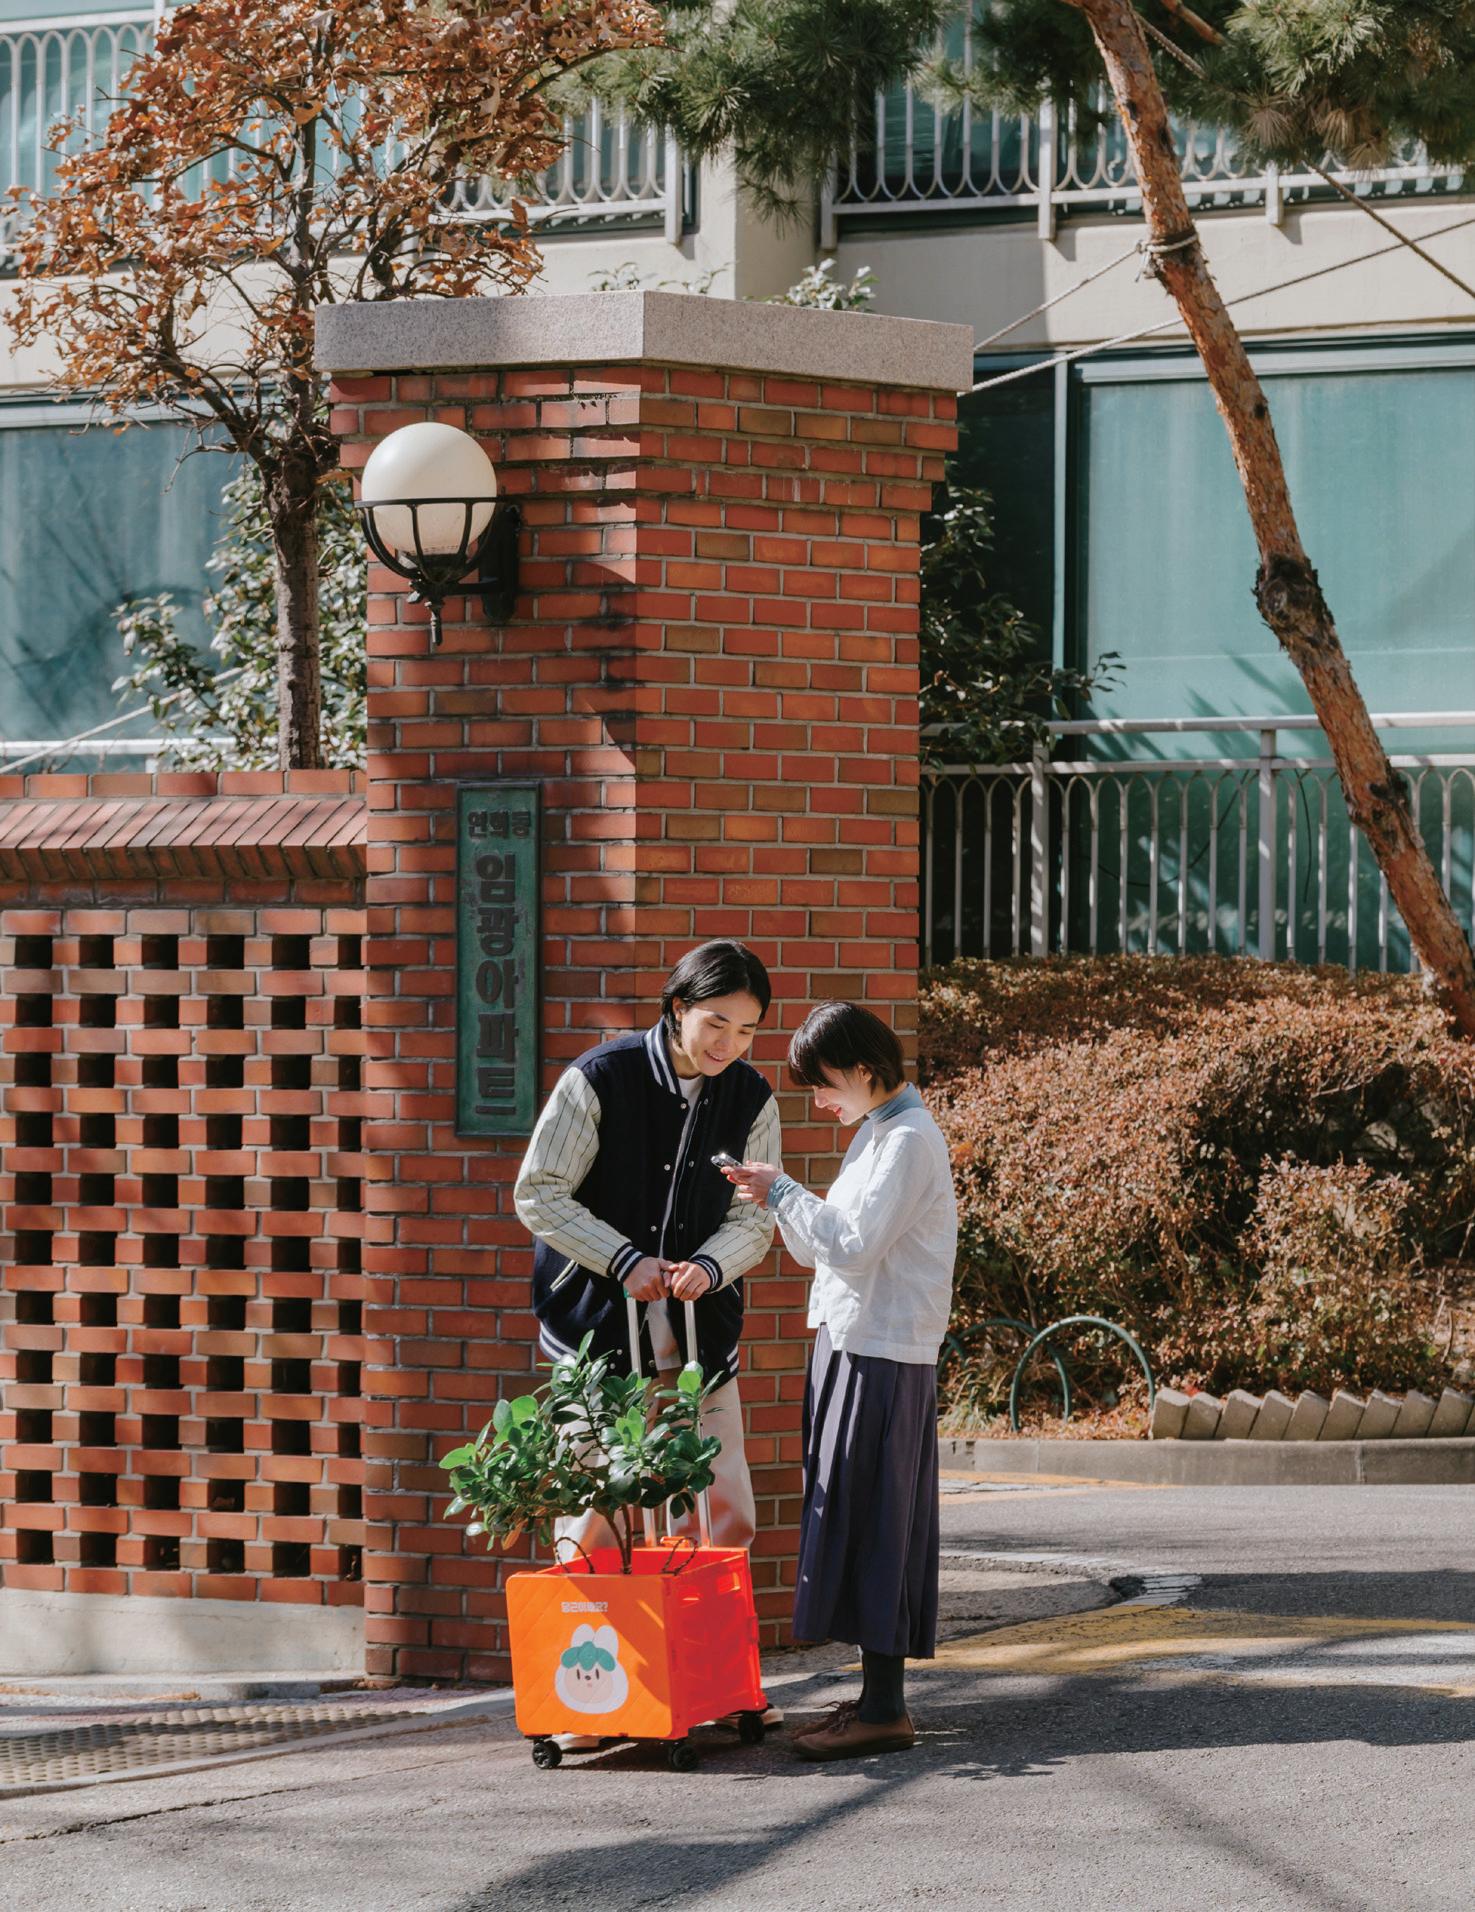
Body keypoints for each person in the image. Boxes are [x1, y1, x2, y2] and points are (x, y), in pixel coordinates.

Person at [726, 1001, 957, 1762]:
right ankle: (874, 1701)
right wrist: (777, 1196)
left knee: (876, 1522)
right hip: (857, 1342)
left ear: (863, 1068)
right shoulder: (879, 1131)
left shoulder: (907, 1139)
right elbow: (821, 1248)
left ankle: (885, 1708)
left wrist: (784, 1192)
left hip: (881, 1350)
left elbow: (851, 1245)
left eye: (824, 1083)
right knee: (861, 1518)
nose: (820, 1100)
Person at [514, 939, 781, 1561]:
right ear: (678, 1006)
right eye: (716, 1023)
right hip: (598, 1328)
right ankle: (597, 1626)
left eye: (746, 1031)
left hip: (701, 1332)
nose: (729, 1044)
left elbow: (754, 1217)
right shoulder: (600, 1078)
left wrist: (710, 1267)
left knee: (717, 1510)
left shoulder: (752, 1097)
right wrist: (624, 1260)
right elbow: (539, 1193)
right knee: (595, 1513)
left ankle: (704, 1624)